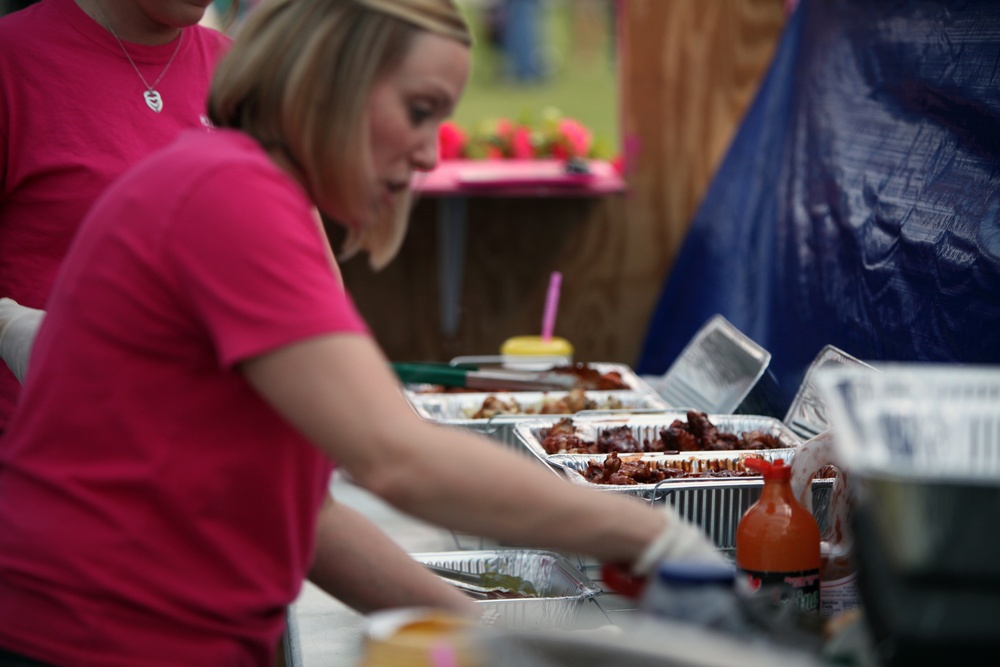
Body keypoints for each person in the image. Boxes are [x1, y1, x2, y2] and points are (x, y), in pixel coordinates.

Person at [0, 1, 724, 666]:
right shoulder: (229, 195)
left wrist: (496, 639)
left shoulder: (245, 187)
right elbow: (397, 459)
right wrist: (648, 534)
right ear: (333, 83)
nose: (431, 153)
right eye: (419, 110)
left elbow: (306, 517)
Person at [0, 0, 232, 434]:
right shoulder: (13, 60)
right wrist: (15, 329)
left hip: (201, 445)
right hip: (42, 449)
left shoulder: (241, 74)